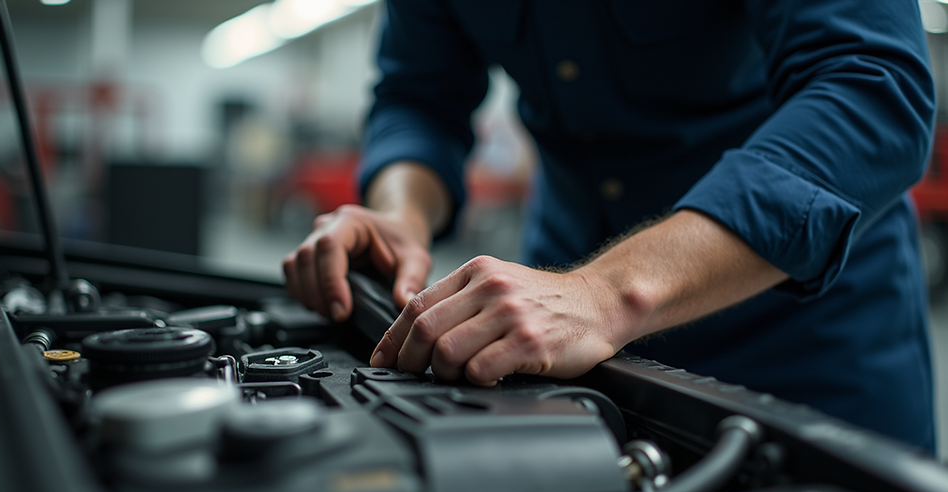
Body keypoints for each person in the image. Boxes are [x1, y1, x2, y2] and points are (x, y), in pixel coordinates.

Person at [284, 0, 937, 452]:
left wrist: (608, 294)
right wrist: (401, 211)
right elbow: (419, 96)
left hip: (803, 340)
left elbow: (870, 89)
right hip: (560, 331)